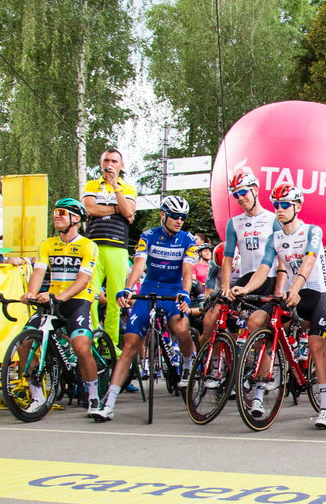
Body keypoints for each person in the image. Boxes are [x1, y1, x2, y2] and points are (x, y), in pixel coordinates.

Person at [232, 184, 326, 429]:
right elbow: (263, 269)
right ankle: (260, 391)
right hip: (293, 294)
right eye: (276, 204)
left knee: (315, 345)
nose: (279, 209)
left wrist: (295, 287)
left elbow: (308, 262)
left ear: (297, 207)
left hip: (316, 292)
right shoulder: (275, 237)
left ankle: (325, 407)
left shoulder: (312, 231)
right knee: (260, 322)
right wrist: (245, 289)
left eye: (285, 204)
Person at [92, 196, 198, 422]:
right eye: (175, 216)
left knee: (181, 328)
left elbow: (188, 270)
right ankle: (109, 402)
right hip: (149, 287)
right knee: (130, 344)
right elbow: (139, 265)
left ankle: (188, 365)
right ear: (163, 215)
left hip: (173, 288)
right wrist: (127, 289)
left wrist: (186, 293)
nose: (180, 221)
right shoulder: (148, 236)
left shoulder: (187, 239)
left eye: (183, 217)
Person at [20, 199, 100, 414]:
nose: (56, 216)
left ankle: (93, 397)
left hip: (77, 300)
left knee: (81, 346)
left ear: (76, 219)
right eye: (55, 212)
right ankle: (37, 395)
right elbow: (38, 271)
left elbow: (83, 280)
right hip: (52, 300)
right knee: (24, 343)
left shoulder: (88, 245)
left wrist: (61, 297)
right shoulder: (47, 244)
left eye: (62, 213)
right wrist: (32, 293)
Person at [206, 172, 280, 342]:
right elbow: (228, 257)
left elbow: (282, 255)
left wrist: (280, 286)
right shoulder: (234, 222)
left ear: (255, 190)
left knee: (260, 326)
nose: (239, 198)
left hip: (269, 278)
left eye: (243, 192)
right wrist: (225, 285)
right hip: (246, 278)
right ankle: (216, 361)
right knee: (213, 317)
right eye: (235, 194)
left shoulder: (273, 219)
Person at [81, 148, 137, 345]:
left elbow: (129, 211)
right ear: (100, 163)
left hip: (118, 245)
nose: (109, 164)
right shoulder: (91, 184)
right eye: (106, 160)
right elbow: (88, 209)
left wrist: (115, 186)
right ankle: (93, 341)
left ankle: (111, 344)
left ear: (121, 165)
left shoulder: (127, 187)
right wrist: (116, 209)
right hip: (93, 245)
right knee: (91, 295)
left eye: (114, 161)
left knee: (116, 298)